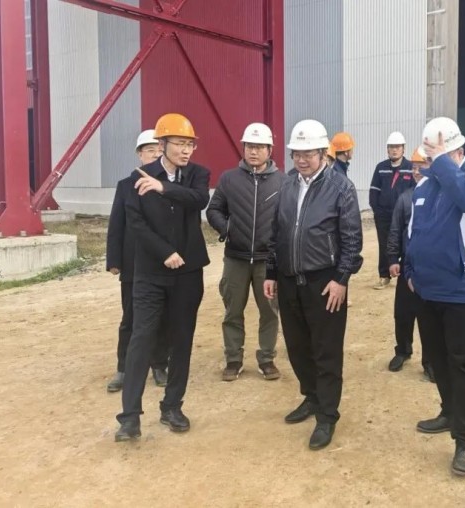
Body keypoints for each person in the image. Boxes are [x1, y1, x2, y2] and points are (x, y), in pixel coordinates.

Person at [263, 119, 363, 450]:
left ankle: (327, 415)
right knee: (297, 347)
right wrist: (271, 272)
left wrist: (341, 279)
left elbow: (352, 240)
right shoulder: (288, 185)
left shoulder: (341, 187)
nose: (302, 159)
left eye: (308, 153)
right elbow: (276, 233)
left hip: (325, 283)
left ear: (322, 153)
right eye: (297, 153)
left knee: (326, 351)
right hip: (290, 280)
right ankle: (311, 396)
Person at [406, 117, 465, 477]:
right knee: (438, 361)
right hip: (427, 290)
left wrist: (443, 163)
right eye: (430, 156)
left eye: (436, 155)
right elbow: (415, 232)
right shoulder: (425, 185)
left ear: (457, 150)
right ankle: (448, 411)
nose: (430, 162)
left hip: (463, 292)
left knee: (463, 365)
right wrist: (410, 272)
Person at [114, 113, 211, 442]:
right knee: (141, 339)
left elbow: (199, 199)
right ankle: (129, 417)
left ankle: (172, 407)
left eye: (190, 145)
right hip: (150, 273)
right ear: (162, 144)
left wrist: (164, 188)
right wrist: (164, 252)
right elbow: (135, 224)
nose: (186, 150)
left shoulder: (197, 175)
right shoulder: (136, 179)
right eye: (180, 144)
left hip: (188, 273)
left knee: (182, 339)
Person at [207, 122, 284, 382]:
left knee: (270, 311)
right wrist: (227, 229)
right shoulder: (229, 179)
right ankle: (233, 359)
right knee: (232, 310)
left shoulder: (283, 182)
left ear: (270, 150)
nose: (253, 151)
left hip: (267, 261)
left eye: (260, 147)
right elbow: (214, 209)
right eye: (250, 146)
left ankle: (267, 359)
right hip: (236, 259)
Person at [105, 129, 170, 392]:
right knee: (130, 318)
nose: (154, 155)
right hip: (134, 264)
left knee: (162, 317)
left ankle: (159, 365)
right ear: (139, 154)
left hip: (163, 262)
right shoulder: (125, 185)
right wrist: (114, 259)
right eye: (149, 150)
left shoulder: (168, 185)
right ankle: (124, 368)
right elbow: (116, 224)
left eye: (158, 150)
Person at [386, 148, 432, 380]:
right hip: (406, 265)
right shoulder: (405, 197)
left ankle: (430, 360)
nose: (416, 171)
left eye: (421, 166)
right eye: (413, 167)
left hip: (429, 268)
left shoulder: (438, 197)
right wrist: (392, 259)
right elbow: (395, 230)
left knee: (428, 317)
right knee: (403, 313)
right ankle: (402, 350)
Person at [369, 131, 414, 290]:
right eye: (391, 147)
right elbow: (374, 191)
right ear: (387, 149)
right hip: (384, 216)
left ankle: (406, 275)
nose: (394, 150)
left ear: (403, 149)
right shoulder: (381, 168)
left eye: (397, 147)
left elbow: (414, 192)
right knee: (384, 245)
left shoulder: (410, 168)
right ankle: (384, 276)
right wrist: (377, 211)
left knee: (405, 243)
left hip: (404, 216)